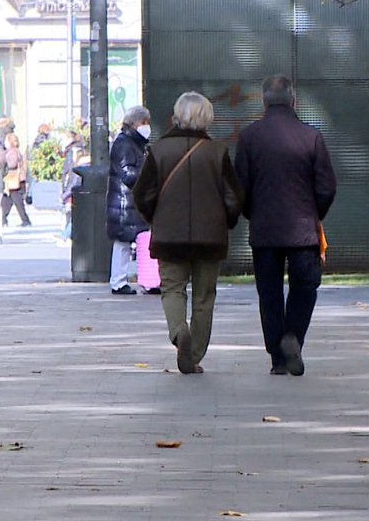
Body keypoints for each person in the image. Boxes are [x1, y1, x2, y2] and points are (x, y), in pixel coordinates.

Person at [133, 92, 243, 374]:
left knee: (172, 288)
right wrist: (225, 222)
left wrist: (154, 218)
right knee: (204, 296)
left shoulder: (158, 151)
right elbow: (233, 198)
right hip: (210, 237)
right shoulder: (218, 152)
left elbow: (142, 194)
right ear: (206, 118)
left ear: (176, 116)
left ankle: (179, 330)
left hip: (170, 236)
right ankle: (193, 356)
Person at [235, 75, 337, 377]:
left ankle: (278, 359)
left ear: (264, 101)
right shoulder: (311, 137)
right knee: (305, 287)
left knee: (269, 293)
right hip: (303, 229)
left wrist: (252, 212)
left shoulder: (250, 137)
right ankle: (293, 335)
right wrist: (313, 211)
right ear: (294, 101)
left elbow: (240, 185)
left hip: (264, 229)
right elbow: (327, 187)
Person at [106, 106, 152, 295]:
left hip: (128, 202)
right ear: (134, 123)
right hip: (125, 203)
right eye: (144, 122)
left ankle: (145, 279)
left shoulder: (132, 142)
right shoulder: (125, 143)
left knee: (133, 240)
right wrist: (149, 173)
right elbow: (127, 173)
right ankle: (118, 281)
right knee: (124, 243)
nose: (147, 127)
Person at [1, 132, 32, 227]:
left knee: (17, 201)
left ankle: (25, 220)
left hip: (15, 180)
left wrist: (3, 165)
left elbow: (12, 164)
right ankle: (3, 219)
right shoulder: (12, 151)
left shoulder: (12, 151)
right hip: (13, 180)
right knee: (7, 200)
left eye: (6, 140)